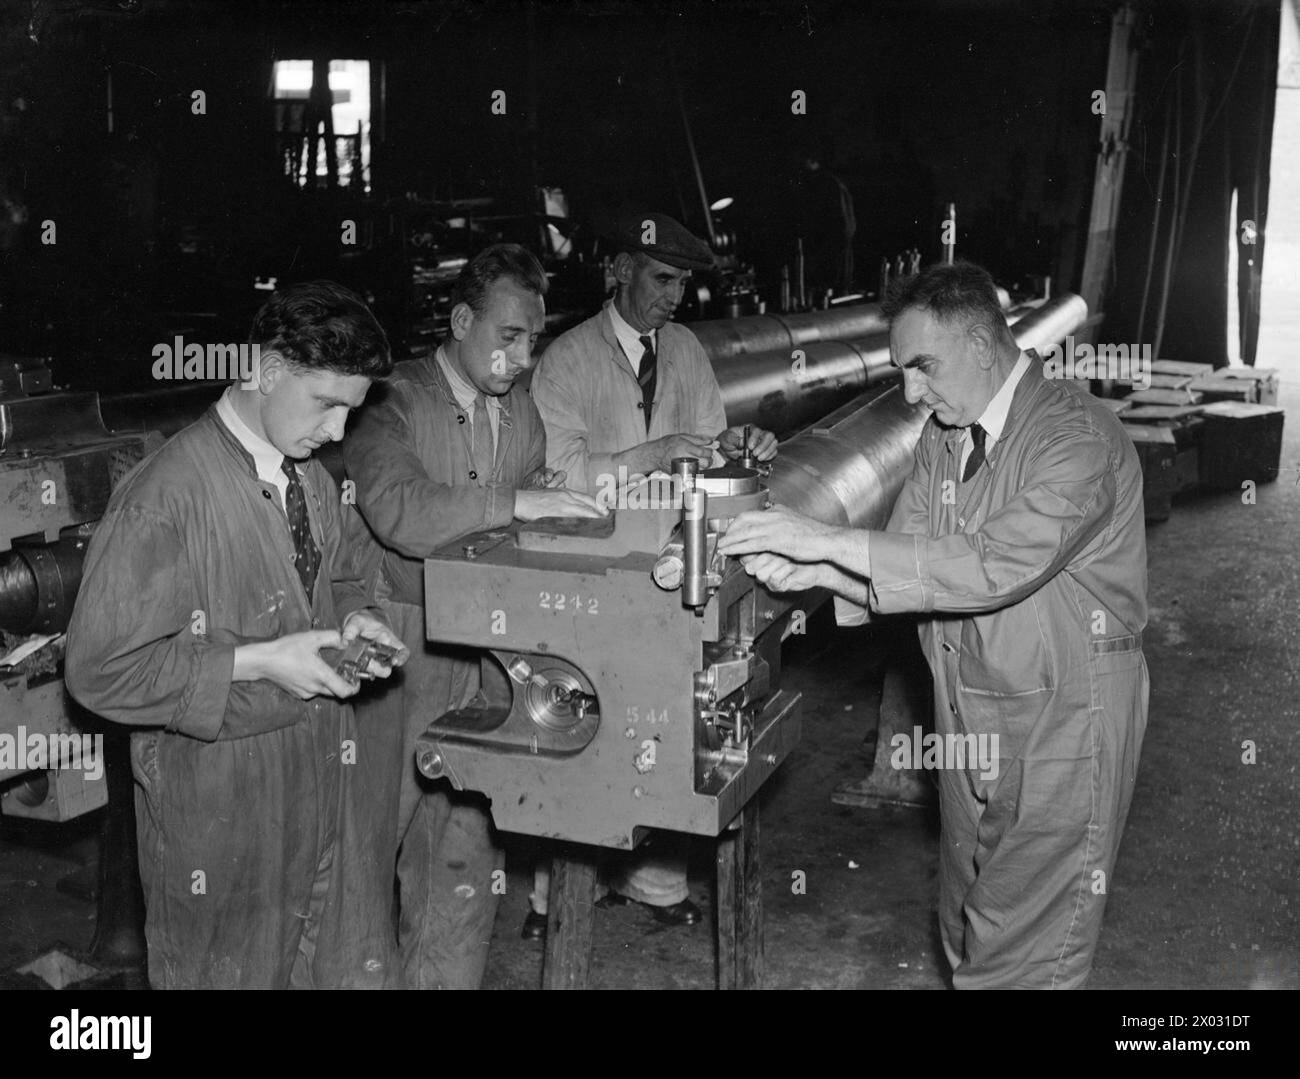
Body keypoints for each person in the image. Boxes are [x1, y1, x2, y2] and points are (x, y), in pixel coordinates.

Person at [719, 261, 1148, 989]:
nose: (910, 392)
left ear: (983, 345)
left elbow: (991, 564)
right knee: (965, 927)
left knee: (1020, 965)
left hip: (1064, 730)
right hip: (968, 715)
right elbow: (911, 565)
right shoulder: (946, 440)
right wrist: (820, 577)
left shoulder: (1077, 442)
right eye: (902, 371)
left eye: (922, 367)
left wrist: (820, 540)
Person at [65, 281, 409, 989]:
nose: (340, 432)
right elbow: (98, 670)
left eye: (354, 408)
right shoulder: (164, 499)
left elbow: (335, 577)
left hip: (317, 783)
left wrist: (352, 616)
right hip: (217, 816)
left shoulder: (308, 477)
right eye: (327, 404)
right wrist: (258, 660)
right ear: (265, 371)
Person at [343, 243, 605, 989]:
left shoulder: (517, 409)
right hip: (399, 652)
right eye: (509, 336)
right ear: (460, 320)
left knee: (463, 851)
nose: (523, 358)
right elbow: (403, 512)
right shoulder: (390, 400)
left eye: (534, 339)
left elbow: (526, 504)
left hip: (488, 656)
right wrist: (519, 502)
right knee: (367, 852)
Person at [528, 212, 777, 937]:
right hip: (589, 566)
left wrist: (739, 449)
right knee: (575, 716)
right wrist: (658, 451)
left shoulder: (689, 352)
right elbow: (563, 474)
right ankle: (556, 894)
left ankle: (653, 877)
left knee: (664, 717)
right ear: (618, 271)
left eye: (684, 283)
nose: (675, 297)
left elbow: (705, 448)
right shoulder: (568, 359)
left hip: (670, 560)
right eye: (663, 279)